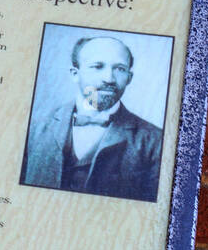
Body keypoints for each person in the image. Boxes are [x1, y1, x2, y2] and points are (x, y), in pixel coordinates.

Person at [20, 35, 163, 203]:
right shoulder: (33, 128)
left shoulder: (155, 141)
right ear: (75, 74)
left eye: (120, 69)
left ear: (129, 78)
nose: (109, 78)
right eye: (97, 67)